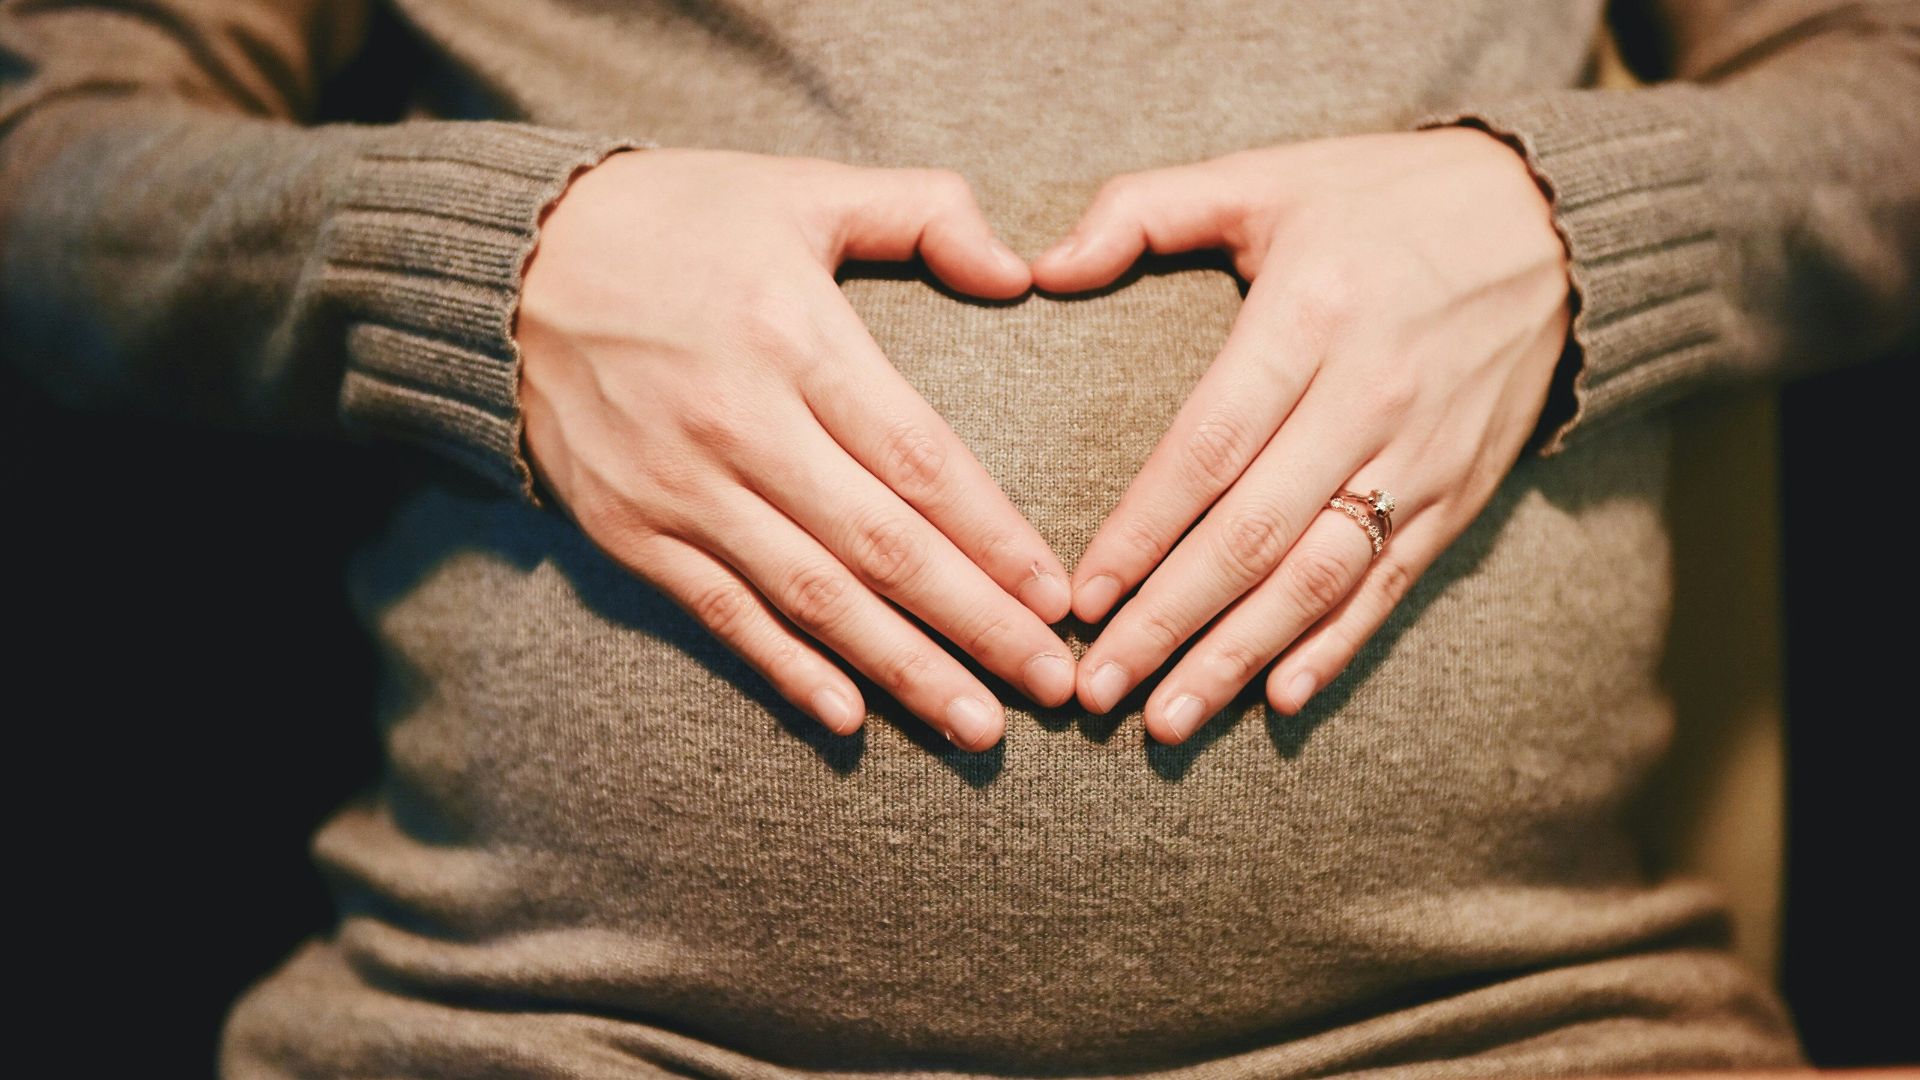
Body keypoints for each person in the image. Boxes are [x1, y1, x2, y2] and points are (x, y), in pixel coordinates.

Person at [2, 0, 1914, 1075]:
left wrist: (1578, 222)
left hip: (1511, 1039)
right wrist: (484, 267)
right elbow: (47, 146)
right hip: (538, 1039)